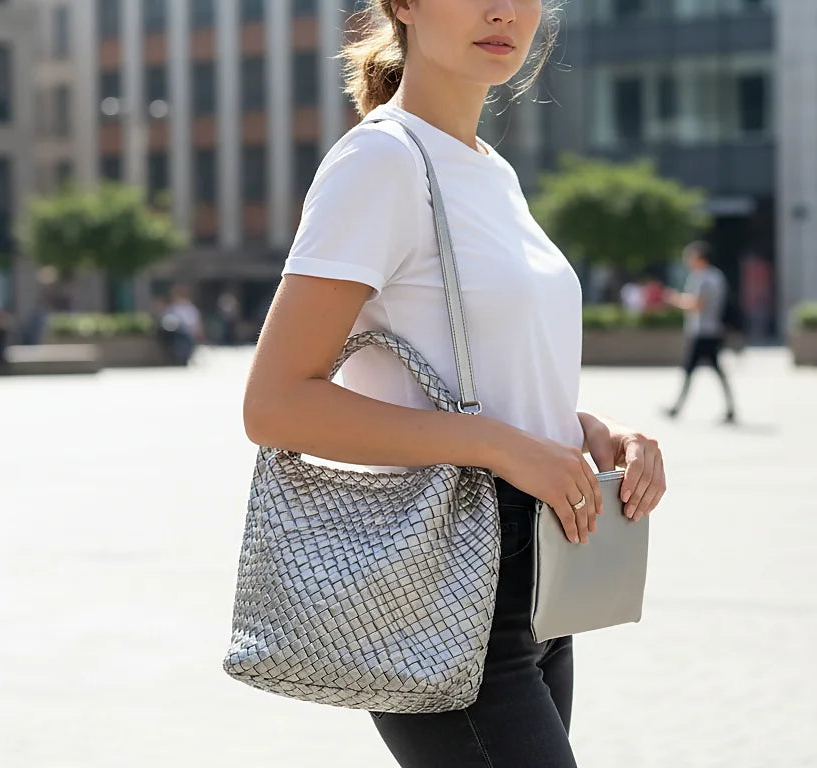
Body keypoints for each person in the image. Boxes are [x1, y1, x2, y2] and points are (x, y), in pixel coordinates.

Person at [240, 2, 667, 765]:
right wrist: (498, 445)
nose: (503, 10)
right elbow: (276, 404)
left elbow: (472, 372)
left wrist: (586, 430)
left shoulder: (490, 170)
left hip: (542, 580)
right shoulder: (381, 162)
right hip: (441, 585)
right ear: (403, 5)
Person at [664, 241, 737, 424]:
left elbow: (697, 304)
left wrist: (675, 300)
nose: (687, 260)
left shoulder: (703, 278)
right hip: (713, 330)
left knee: (690, 369)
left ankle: (677, 407)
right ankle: (730, 408)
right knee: (715, 370)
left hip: (702, 331)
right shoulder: (716, 276)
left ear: (699, 257)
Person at [162, 284, 204, 365]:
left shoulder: (189, 307)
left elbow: (195, 320)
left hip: (188, 332)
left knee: (188, 347)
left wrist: (198, 330)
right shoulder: (172, 307)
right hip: (177, 332)